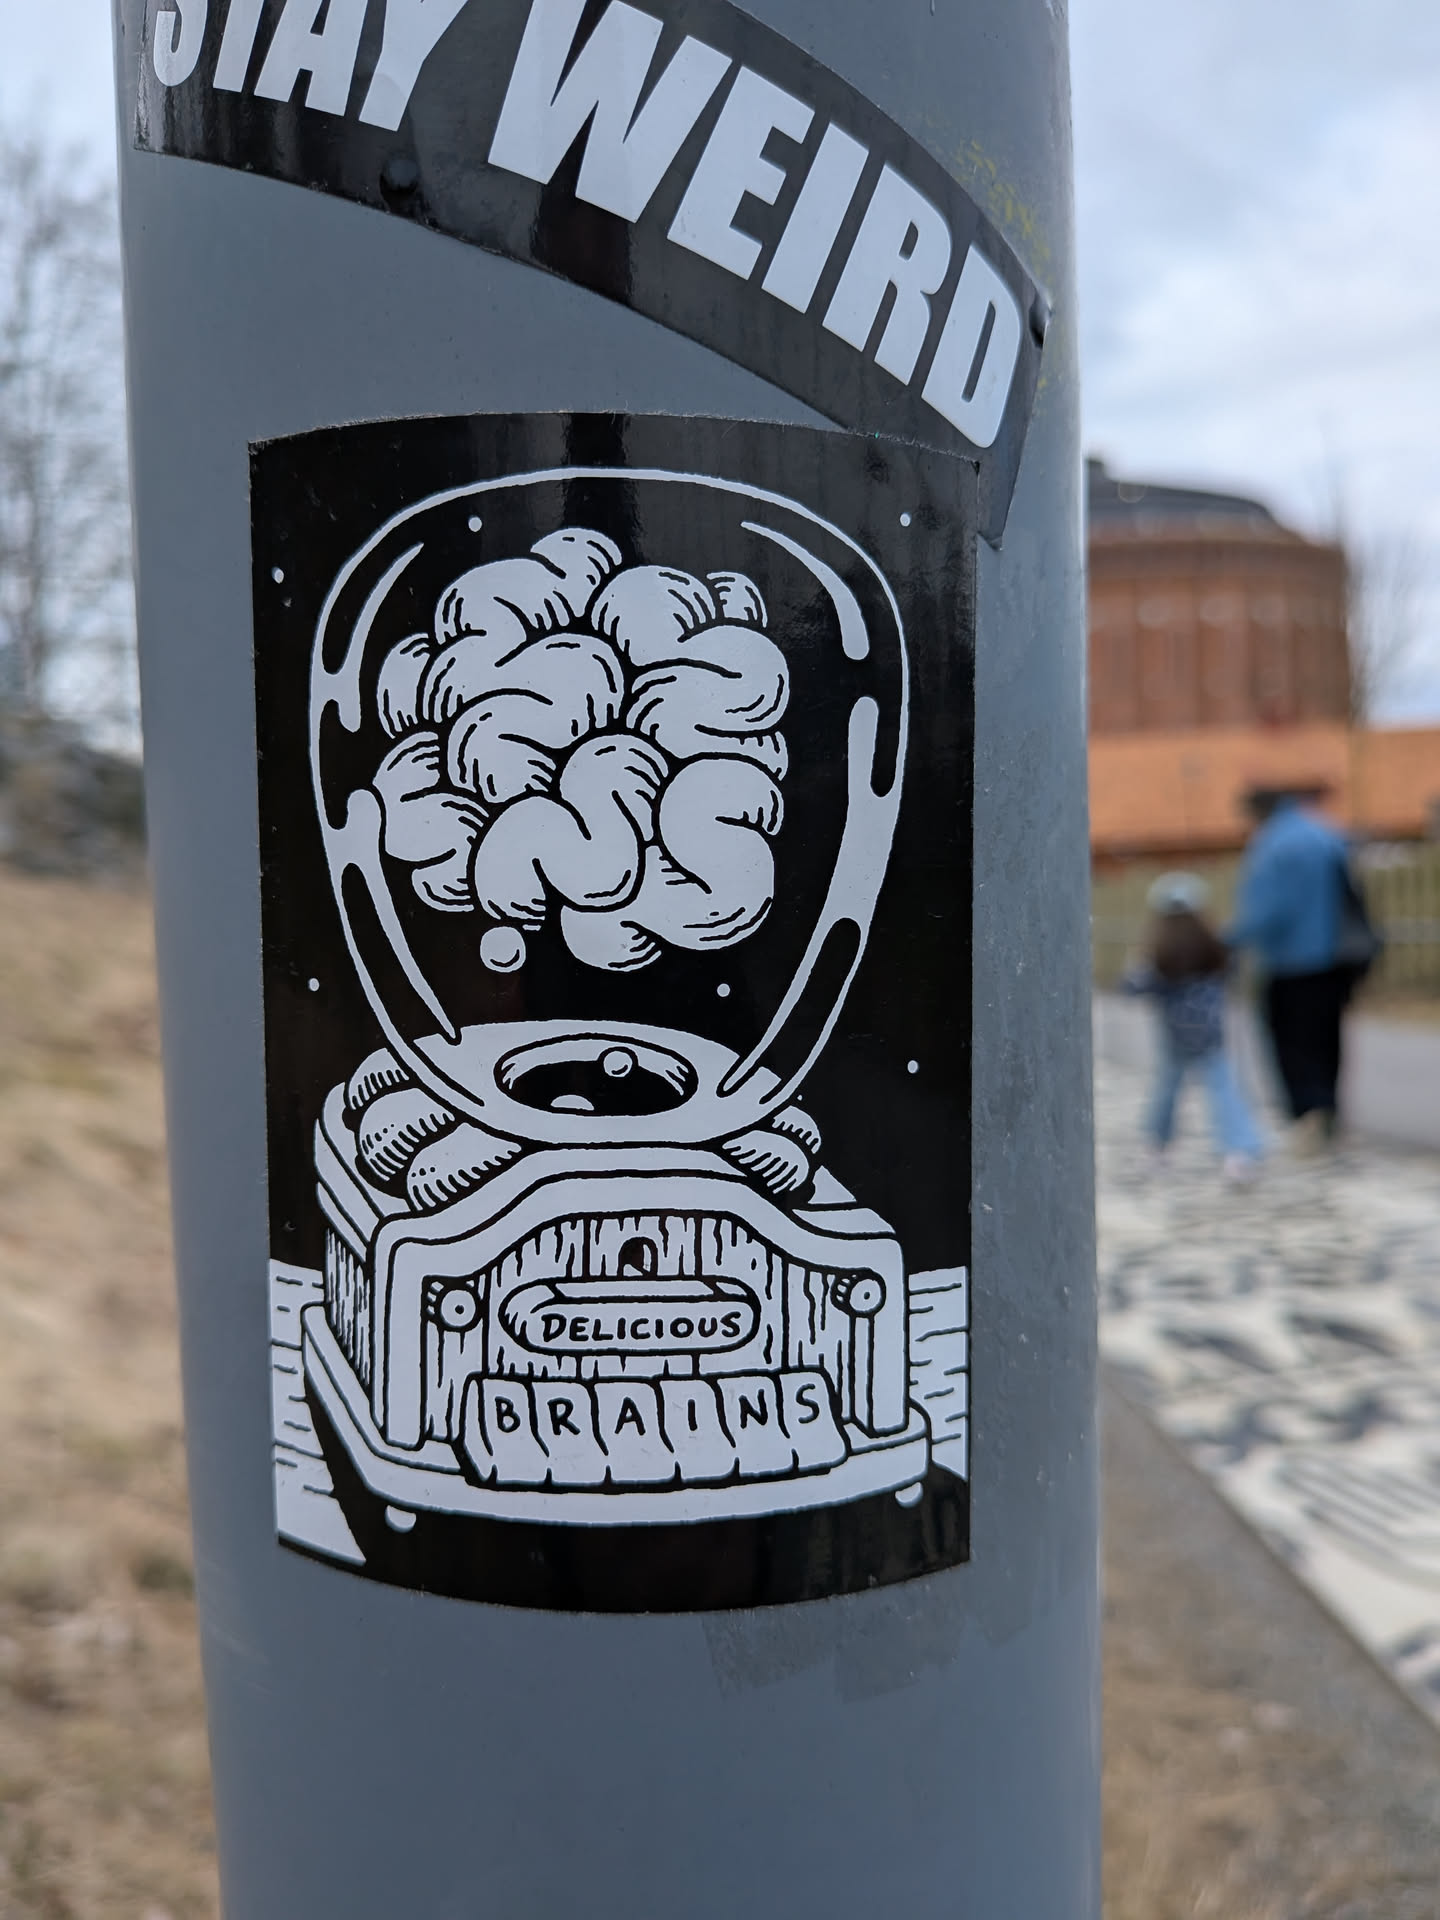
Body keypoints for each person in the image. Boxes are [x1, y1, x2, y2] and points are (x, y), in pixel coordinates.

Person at [1226, 787, 1361, 1147]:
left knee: (1292, 1041)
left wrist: (1230, 939)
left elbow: (1268, 909)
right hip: (1336, 957)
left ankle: (1308, 1113)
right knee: (1328, 1037)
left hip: (1290, 961)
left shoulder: (1274, 845)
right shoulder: (1326, 834)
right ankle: (1329, 1108)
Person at [1124, 871, 1264, 1183]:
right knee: (1224, 1091)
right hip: (1211, 1037)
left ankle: (1156, 1147)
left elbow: (1132, 987)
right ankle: (1238, 1152)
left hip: (1175, 1037)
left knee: (1167, 1091)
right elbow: (1234, 973)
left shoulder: (1158, 957)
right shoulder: (1215, 950)